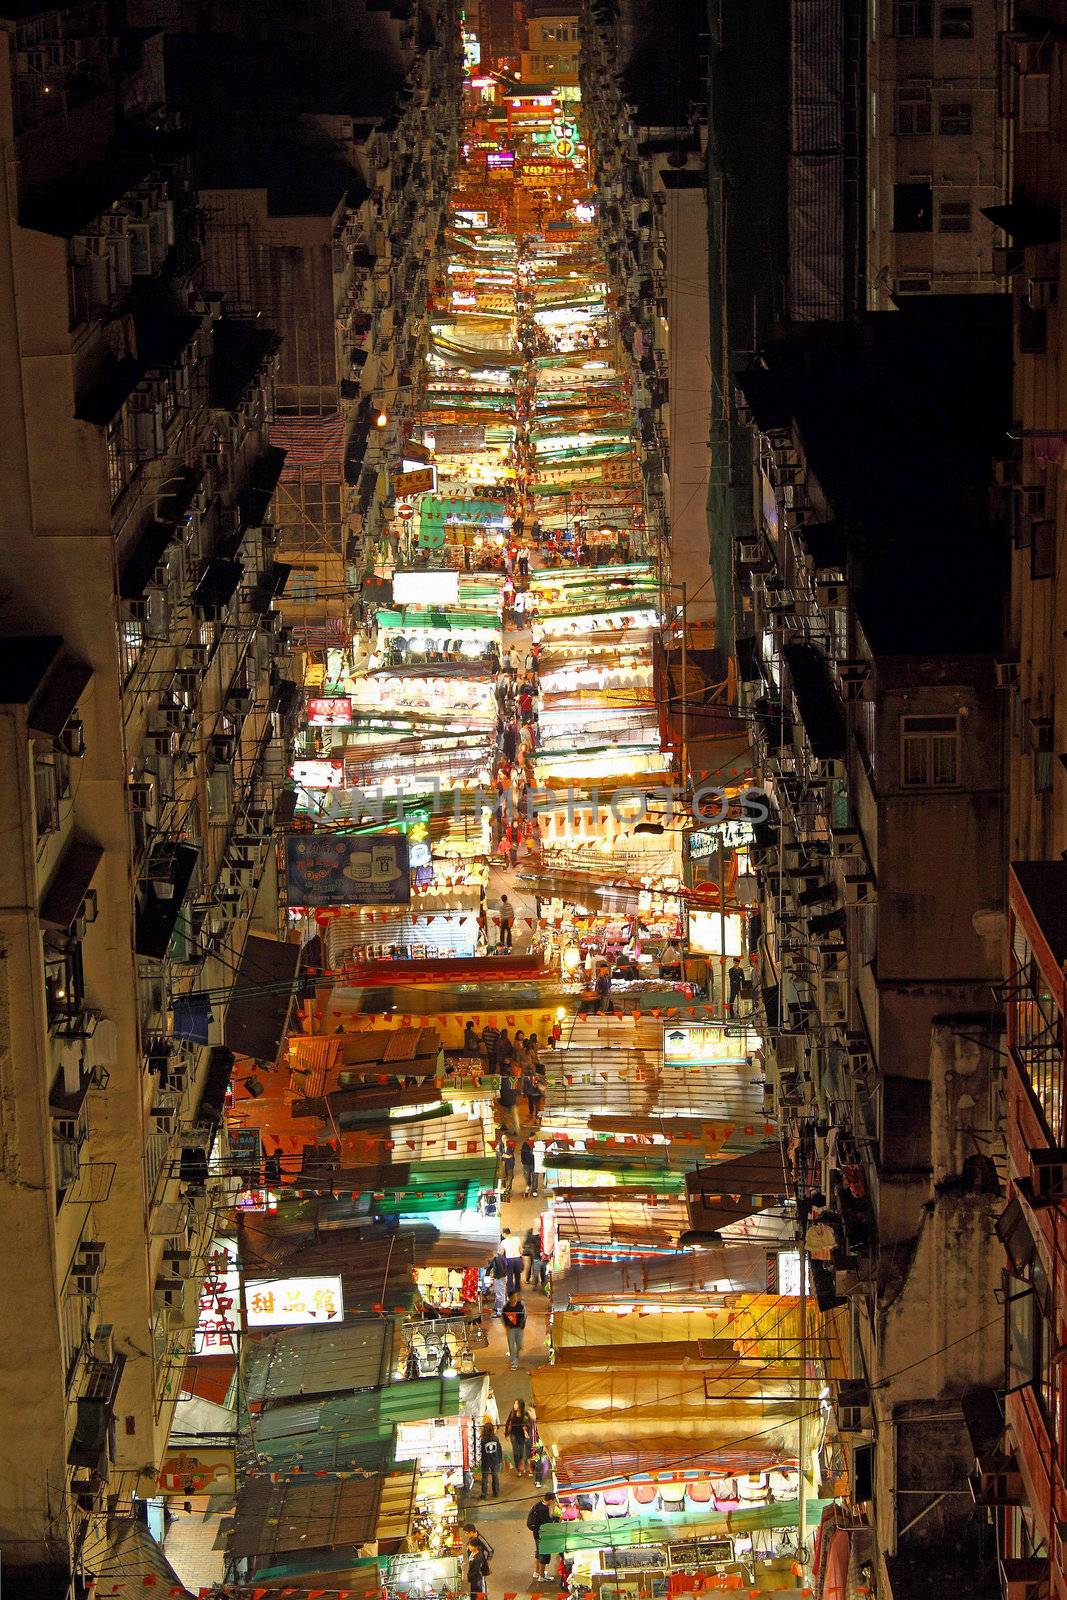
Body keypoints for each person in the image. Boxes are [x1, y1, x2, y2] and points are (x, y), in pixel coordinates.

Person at [527, 1494, 560, 1581]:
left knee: (538, 1551)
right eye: (554, 1500)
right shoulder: (544, 1509)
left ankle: (536, 1572)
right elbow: (547, 1523)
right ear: (551, 1500)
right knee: (544, 1554)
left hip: (536, 1533)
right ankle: (542, 1576)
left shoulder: (538, 1505)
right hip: (542, 1534)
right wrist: (554, 1517)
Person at [505, 1397, 534, 1475]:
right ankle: (518, 1469)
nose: (515, 1405)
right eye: (514, 1403)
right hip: (513, 1434)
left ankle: (522, 1466)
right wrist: (506, 1434)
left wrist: (525, 1431)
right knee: (515, 1452)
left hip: (521, 1435)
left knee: (521, 1451)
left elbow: (527, 1423)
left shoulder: (525, 1414)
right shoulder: (512, 1413)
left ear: (520, 1405)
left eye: (516, 1404)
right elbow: (508, 1423)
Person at [501, 1288, 527, 1369]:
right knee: (511, 1346)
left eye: (516, 1296)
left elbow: (525, 1316)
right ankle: (513, 1363)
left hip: (519, 1328)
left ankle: (516, 1354)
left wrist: (522, 1325)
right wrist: (506, 1326)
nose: (515, 1298)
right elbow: (503, 1317)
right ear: (510, 1298)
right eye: (513, 1297)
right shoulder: (506, 1308)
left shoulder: (521, 1306)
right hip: (511, 1329)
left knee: (520, 1345)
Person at [479, 1422, 503, 1499]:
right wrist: (500, 1459)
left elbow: (481, 1452)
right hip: (495, 1460)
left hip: (486, 1461)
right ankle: (496, 1492)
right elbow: (499, 1449)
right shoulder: (496, 1438)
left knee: (485, 1478)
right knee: (495, 1476)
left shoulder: (483, 1440)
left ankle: (484, 1494)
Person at [466, 1530, 491, 1599]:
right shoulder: (473, 1553)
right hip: (474, 1579)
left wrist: (469, 1577)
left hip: (477, 1579)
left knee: (479, 1594)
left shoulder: (478, 1557)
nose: (469, 1547)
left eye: (470, 1546)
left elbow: (476, 1570)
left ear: (475, 1547)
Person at [501, 1227, 523, 1294]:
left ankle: (511, 1291)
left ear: (504, 1234)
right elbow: (521, 1250)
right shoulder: (517, 1239)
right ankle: (518, 1290)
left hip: (509, 1260)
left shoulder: (503, 1242)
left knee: (510, 1276)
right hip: (517, 1259)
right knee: (517, 1276)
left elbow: (501, 1253)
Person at [498, 1068, 520, 1135]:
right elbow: (516, 1090)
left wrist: (498, 1100)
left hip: (504, 1101)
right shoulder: (513, 1080)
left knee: (504, 1115)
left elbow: (499, 1091)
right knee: (514, 1117)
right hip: (512, 1101)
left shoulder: (500, 1081)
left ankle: (504, 1126)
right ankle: (516, 1130)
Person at [489, 1247, 509, 1314]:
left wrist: (495, 1277)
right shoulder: (496, 1257)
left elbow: (501, 1271)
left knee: (500, 1295)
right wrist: (487, 1275)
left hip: (500, 1278)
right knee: (500, 1294)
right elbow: (490, 1266)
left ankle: (500, 1312)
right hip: (500, 1278)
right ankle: (496, 1307)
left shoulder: (497, 1259)